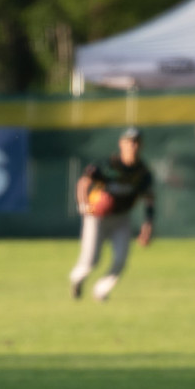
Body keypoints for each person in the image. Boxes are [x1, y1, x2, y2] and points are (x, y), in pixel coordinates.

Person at [68, 127, 155, 302]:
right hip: (97, 217)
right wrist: (83, 205)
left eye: (136, 142)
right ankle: (77, 279)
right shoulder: (108, 165)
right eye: (129, 142)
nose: (133, 145)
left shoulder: (143, 172)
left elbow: (149, 199)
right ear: (121, 144)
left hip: (121, 217)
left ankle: (101, 291)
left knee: (121, 260)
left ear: (141, 145)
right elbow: (84, 182)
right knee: (91, 260)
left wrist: (147, 225)